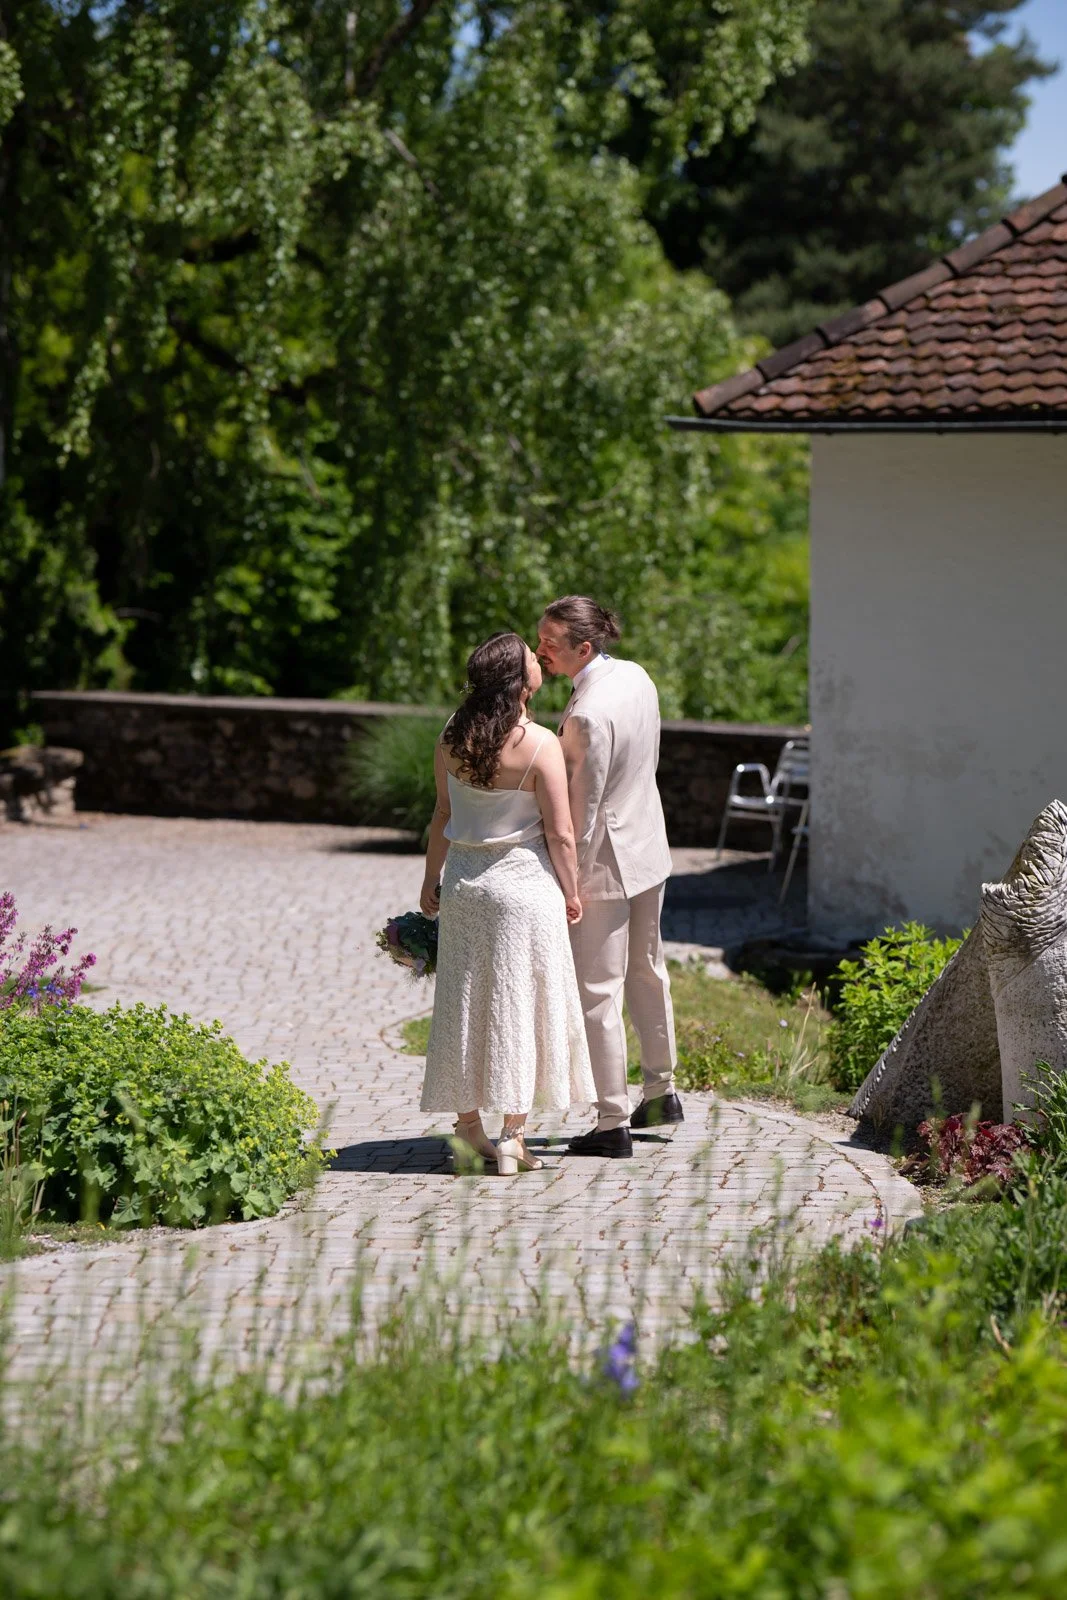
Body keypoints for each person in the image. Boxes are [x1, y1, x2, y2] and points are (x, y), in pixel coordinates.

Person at [419, 631, 596, 1175]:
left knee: (465, 1009)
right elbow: (561, 834)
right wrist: (571, 890)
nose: (539, 660)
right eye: (530, 659)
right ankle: (514, 1137)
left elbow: (442, 816)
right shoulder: (540, 743)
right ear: (520, 683)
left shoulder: (453, 736)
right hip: (526, 892)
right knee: (522, 1008)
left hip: (469, 887)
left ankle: (468, 1130)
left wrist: (431, 880)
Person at [537, 597, 683, 1158]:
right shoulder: (637, 676)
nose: (541, 651)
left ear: (584, 647)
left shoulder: (587, 713)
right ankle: (662, 1091)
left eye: (551, 643)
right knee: (649, 971)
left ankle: (611, 1122)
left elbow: (582, 811)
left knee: (598, 991)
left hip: (607, 860)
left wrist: (566, 879)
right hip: (649, 844)